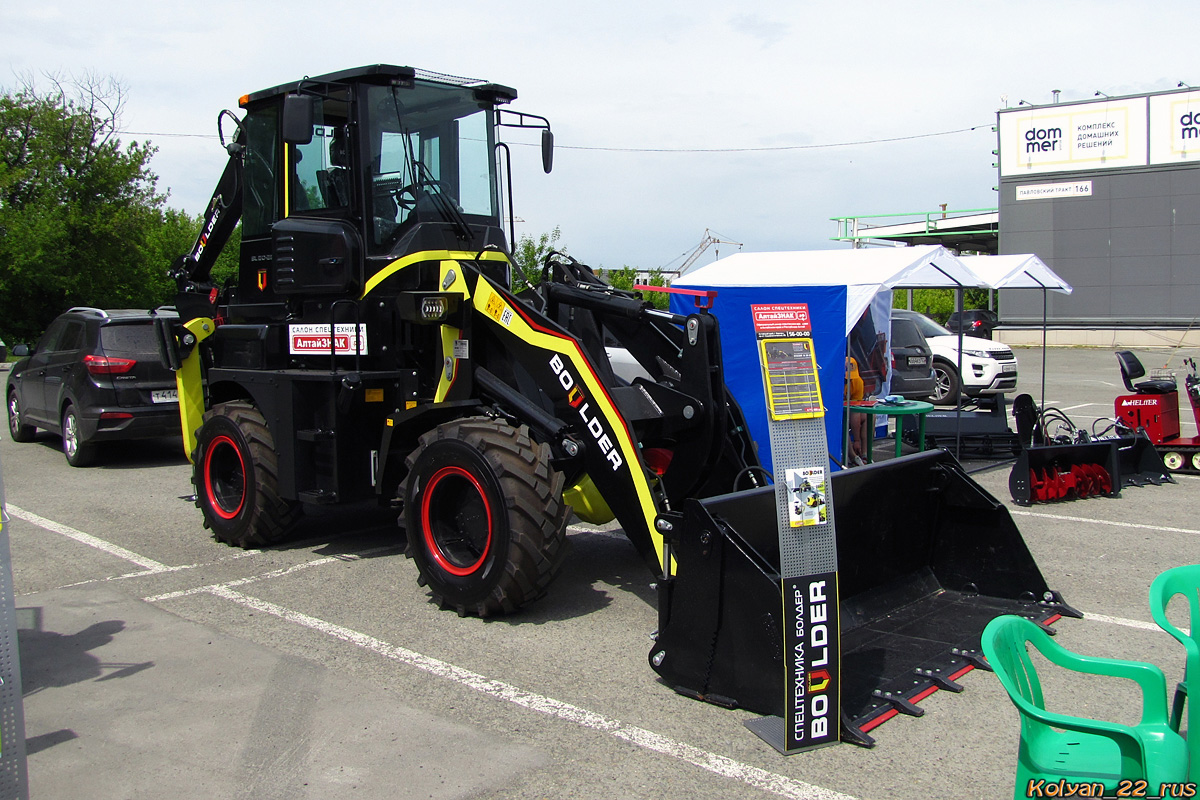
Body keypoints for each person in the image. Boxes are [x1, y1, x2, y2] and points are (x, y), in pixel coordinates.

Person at [845, 355, 868, 466]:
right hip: (839, 415)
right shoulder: (835, 382)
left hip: (851, 412)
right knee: (842, 423)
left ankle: (865, 454)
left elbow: (856, 407)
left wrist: (857, 440)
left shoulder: (858, 382)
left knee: (869, 416)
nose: (848, 380)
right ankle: (853, 456)